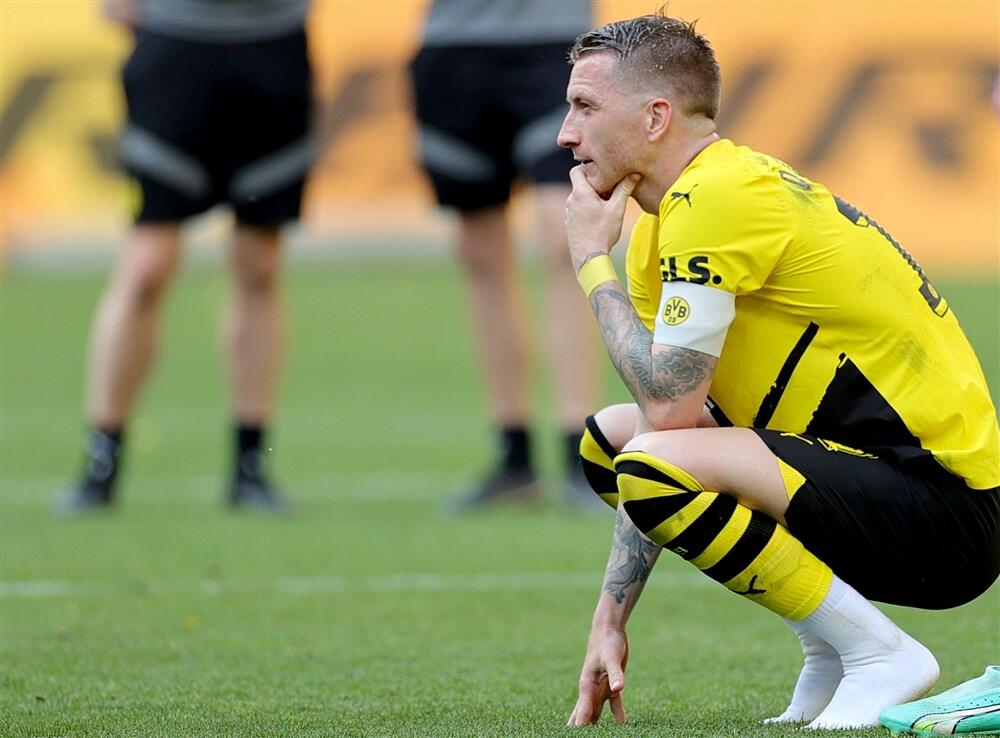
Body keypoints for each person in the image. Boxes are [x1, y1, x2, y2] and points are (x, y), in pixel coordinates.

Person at [556, 12, 1000, 730]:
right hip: (866, 483)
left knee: (648, 453)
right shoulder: (665, 226)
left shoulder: (719, 196)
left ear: (656, 117)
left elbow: (669, 416)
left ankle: (880, 655)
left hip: (948, 511)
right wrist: (608, 622)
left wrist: (587, 262)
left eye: (584, 106)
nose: (565, 134)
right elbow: (666, 426)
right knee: (611, 443)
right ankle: (833, 640)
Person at [59, 0, 314, 513]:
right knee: (147, 266)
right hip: (175, 46)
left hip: (275, 48)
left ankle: (251, 466)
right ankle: (101, 463)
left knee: (260, 266)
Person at [410, 0, 604, 510]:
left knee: (562, 233)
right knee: (479, 250)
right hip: (453, 44)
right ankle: (513, 455)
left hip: (555, 39)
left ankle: (579, 452)